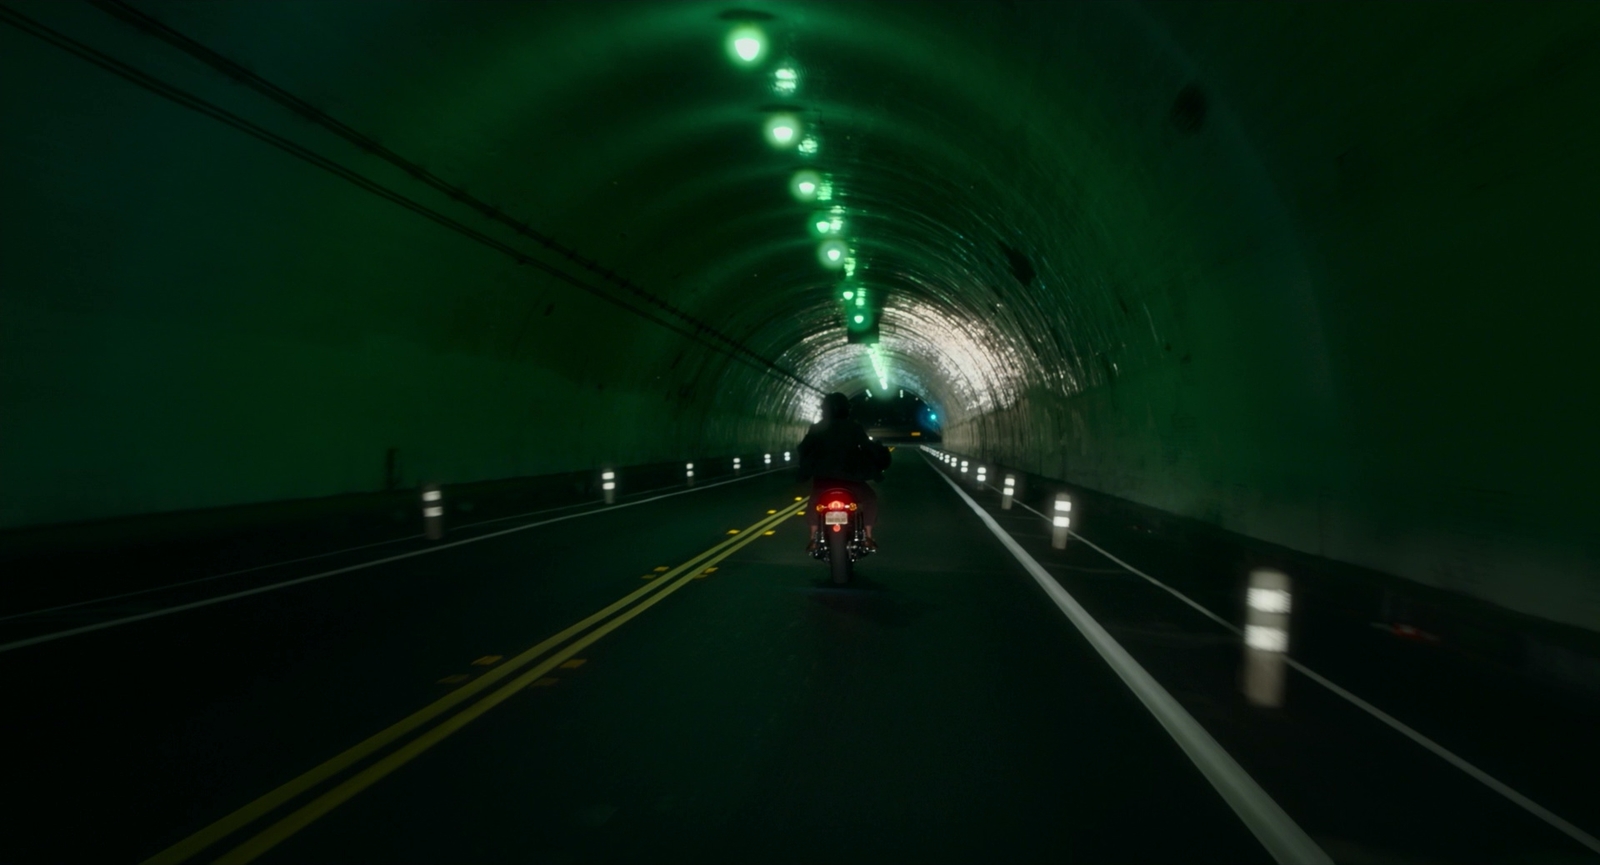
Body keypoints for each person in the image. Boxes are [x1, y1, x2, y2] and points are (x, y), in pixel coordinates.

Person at [795, 392, 890, 551]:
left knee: (814, 501)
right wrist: (879, 453)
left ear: (825, 409)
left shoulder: (817, 428)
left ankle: (813, 537)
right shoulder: (854, 427)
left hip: (823, 480)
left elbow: (803, 448)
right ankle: (867, 536)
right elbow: (868, 447)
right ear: (846, 409)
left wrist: (808, 463)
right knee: (869, 498)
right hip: (852, 479)